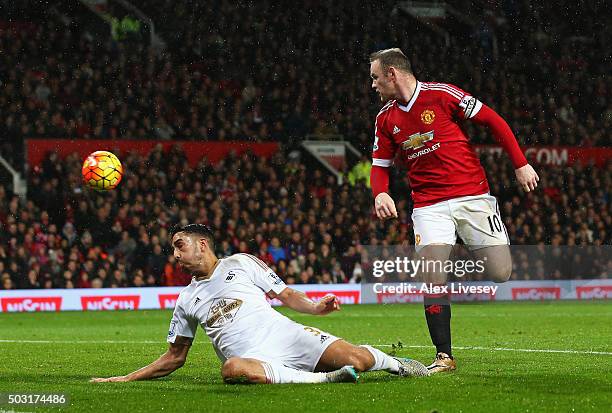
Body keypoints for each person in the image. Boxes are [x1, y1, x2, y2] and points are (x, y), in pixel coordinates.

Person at [368, 48, 539, 373]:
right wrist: (380, 194)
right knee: (432, 275)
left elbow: (493, 119)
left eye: (376, 77)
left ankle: (458, 253)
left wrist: (520, 163)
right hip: (429, 206)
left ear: (392, 73)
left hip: (473, 197)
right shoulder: (385, 119)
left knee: (499, 272)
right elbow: (379, 166)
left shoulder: (442, 95)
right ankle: (444, 356)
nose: (373, 85)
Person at [91, 224, 429, 384]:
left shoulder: (241, 262)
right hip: (253, 359)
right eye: (173, 249)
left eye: (180, 246)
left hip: (286, 335)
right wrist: (124, 378)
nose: (175, 254)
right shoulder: (185, 300)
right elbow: (174, 357)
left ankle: (396, 364)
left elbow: (285, 294)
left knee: (359, 358)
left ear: (203, 244)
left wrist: (316, 308)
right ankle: (327, 380)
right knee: (232, 370)